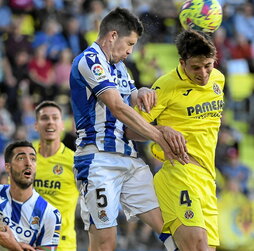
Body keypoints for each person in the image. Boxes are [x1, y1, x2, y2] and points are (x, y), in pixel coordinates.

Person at [69, 7, 188, 251]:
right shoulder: (90, 61)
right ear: (113, 35)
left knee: (172, 228)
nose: (130, 51)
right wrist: (159, 136)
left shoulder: (120, 66)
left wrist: (139, 92)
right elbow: (117, 107)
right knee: (105, 243)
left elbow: (127, 98)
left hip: (130, 160)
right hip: (98, 160)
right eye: (129, 43)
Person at [133, 29, 225, 251]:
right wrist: (162, 129)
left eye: (208, 66)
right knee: (198, 247)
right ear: (182, 63)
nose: (203, 73)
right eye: (195, 67)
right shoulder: (165, 86)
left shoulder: (218, 80)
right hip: (178, 173)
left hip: (206, 178)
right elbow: (130, 130)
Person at [33, 100, 79, 251]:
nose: (50, 122)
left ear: (62, 125)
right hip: (26, 242)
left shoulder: (75, 162)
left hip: (62, 244)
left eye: (55, 118)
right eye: (44, 118)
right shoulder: (24, 155)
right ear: (36, 125)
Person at [0, 140, 61, 250]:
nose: (28, 163)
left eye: (33, 159)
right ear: (8, 167)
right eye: (21, 158)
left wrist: (14, 246)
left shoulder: (50, 214)